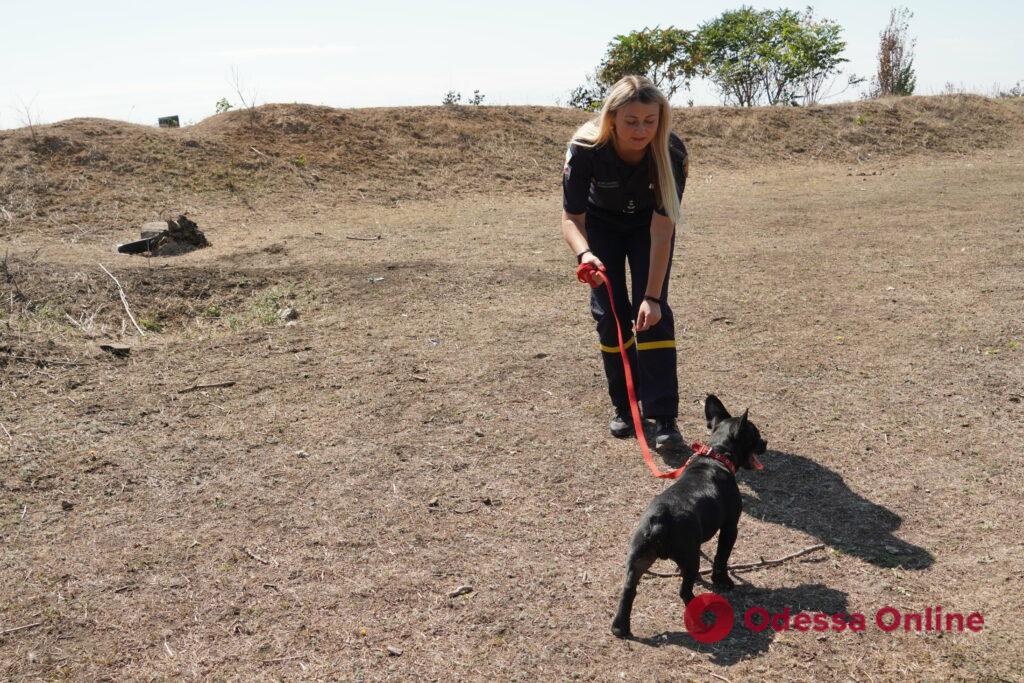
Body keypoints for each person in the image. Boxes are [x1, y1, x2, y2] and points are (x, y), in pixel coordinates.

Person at [561, 75, 688, 449]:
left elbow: (663, 229)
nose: (641, 129)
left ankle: (663, 416)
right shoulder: (585, 148)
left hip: (648, 227)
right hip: (600, 229)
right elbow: (571, 219)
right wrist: (585, 253)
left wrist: (652, 296)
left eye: (650, 121)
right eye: (631, 121)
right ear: (612, 117)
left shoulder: (671, 152)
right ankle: (626, 406)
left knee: (653, 315)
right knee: (610, 315)